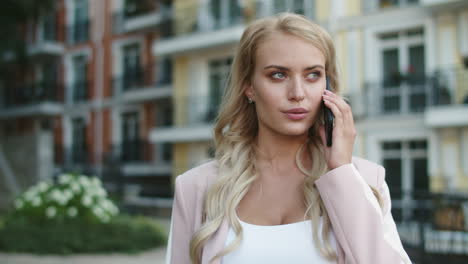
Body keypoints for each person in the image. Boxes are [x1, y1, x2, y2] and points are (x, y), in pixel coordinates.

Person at [165, 12, 411, 264]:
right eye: (278, 75)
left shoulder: (366, 181)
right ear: (249, 87)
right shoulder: (196, 188)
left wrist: (341, 172)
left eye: (313, 75)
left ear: (327, 87)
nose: (297, 93)